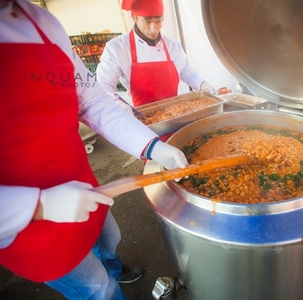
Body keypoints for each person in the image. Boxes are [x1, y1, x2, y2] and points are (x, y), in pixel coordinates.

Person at [0, 0, 188, 299]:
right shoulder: (118, 47)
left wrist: (151, 146)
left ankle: (116, 268)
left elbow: (92, 101)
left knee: (109, 238)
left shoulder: (41, 22)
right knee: (98, 288)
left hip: (80, 179)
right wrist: (38, 205)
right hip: (23, 225)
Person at [96, 0, 218, 108]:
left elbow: (187, 73)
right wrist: (115, 102)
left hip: (176, 113)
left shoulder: (173, 46)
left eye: (158, 21)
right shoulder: (117, 48)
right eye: (147, 21)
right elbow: (104, 84)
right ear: (134, 17)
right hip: (144, 120)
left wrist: (202, 84)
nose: (154, 29)